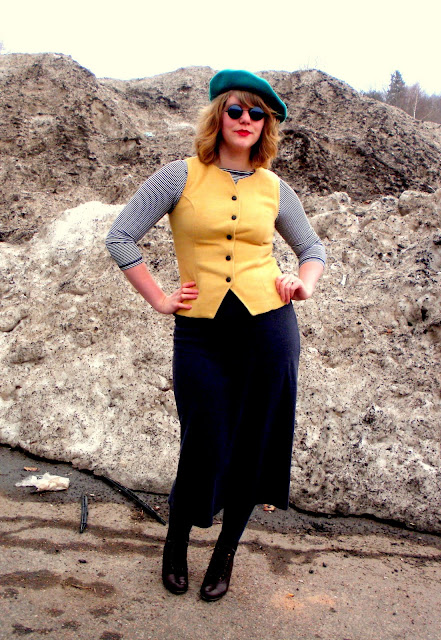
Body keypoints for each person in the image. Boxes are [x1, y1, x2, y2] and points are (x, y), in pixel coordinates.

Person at [106, 69, 326, 602]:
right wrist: (160, 299)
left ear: (266, 125)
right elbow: (120, 237)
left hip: (269, 330)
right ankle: (176, 542)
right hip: (201, 335)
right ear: (218, 116)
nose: (246, 119)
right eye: (236, 110)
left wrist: (303, 284)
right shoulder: (177, 177)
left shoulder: (275, 188)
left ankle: (226, 551)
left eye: (257, 114)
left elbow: (312, 250)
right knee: (202, 441)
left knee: (254, 443)